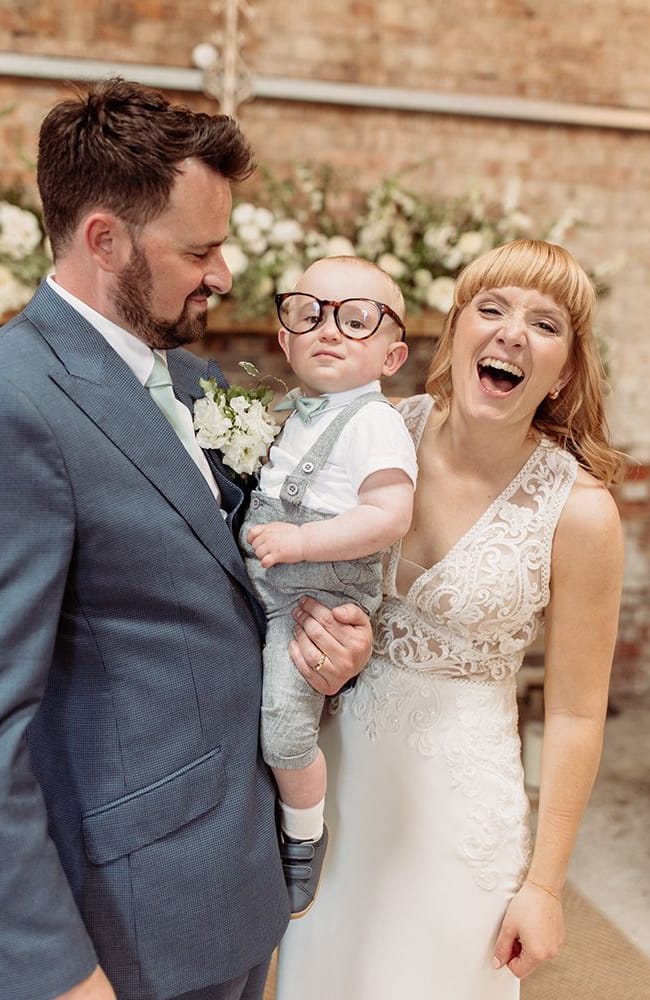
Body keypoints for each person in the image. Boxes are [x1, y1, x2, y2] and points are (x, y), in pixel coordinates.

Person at [0, 78, 373, 1000]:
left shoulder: (198, 383)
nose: (225, 274)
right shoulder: (17, 404)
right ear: (104, 240)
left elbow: (229, 587)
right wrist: (55, 970)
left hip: (235, 881)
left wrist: (329, 642)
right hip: (127, 922)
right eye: (199, 249)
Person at [276, 239, 625, 1000]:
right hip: (335, 792)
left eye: (545, 324)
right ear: (456, 330)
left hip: (459, 817)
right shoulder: (368, 432)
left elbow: (574, 713)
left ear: (566, 370)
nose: (511, 334)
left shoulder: (582, 513)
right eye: (491, 309)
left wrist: (545, 885)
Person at [239, 257, 418, 916]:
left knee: (285, 724)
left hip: (317, 594)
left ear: (391, 356)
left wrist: (304, 541)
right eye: (309, 314)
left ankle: (303, 834)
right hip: (268, 580)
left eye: (357, 319)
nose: (329, 330)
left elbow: (390, 516)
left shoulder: (374, 422)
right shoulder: (297, 412)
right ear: (284, 340)